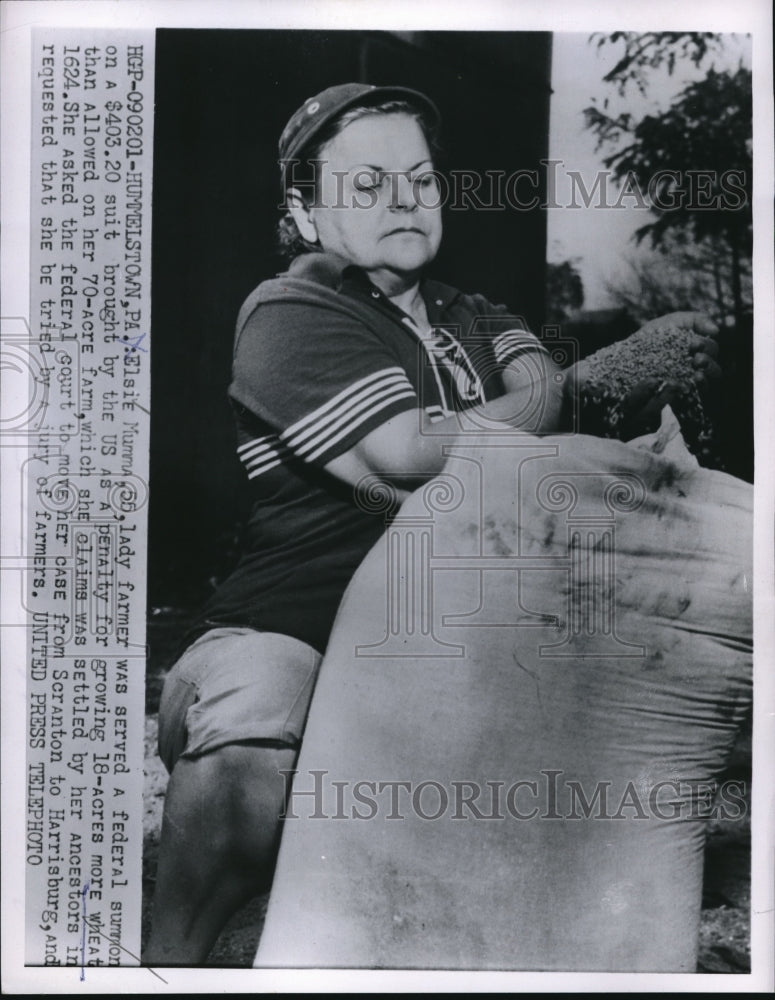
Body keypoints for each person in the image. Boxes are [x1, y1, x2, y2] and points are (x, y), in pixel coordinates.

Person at [144, 82, 720, 965]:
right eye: (366, 183)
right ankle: (158, 966)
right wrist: (580, 389)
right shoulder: (292, 311)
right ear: (303, 213)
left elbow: (554, 429)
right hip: (294, 624)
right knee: (260, 705)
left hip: (449, 645)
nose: (405, 198)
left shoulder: (478, 314)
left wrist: (600, 421)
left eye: (418, 176)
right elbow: (408, 452)